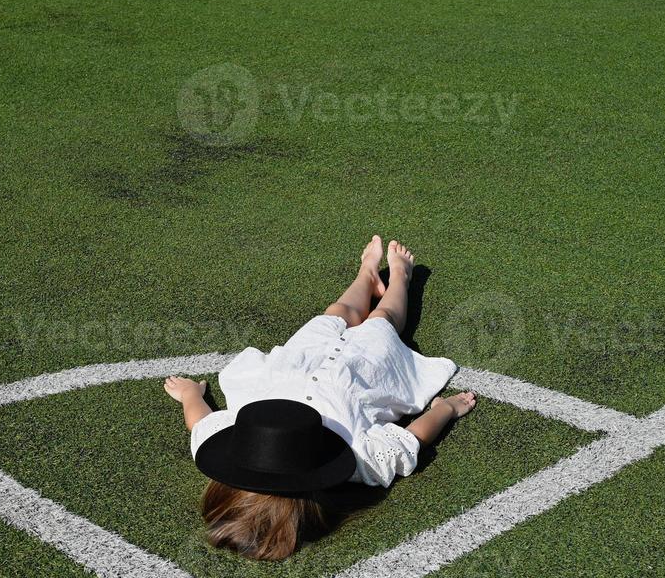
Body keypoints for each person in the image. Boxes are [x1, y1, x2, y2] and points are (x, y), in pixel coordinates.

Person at [164, 236, 477, 560]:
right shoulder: (356, 460)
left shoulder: (227, 445)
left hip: (295, 365)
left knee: (335, 315)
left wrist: (190, 393)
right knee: (382, 322)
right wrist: (446, 409)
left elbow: (199, 423)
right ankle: (400, 277)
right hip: (360, 374)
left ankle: (367, 274)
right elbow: (410, 441)